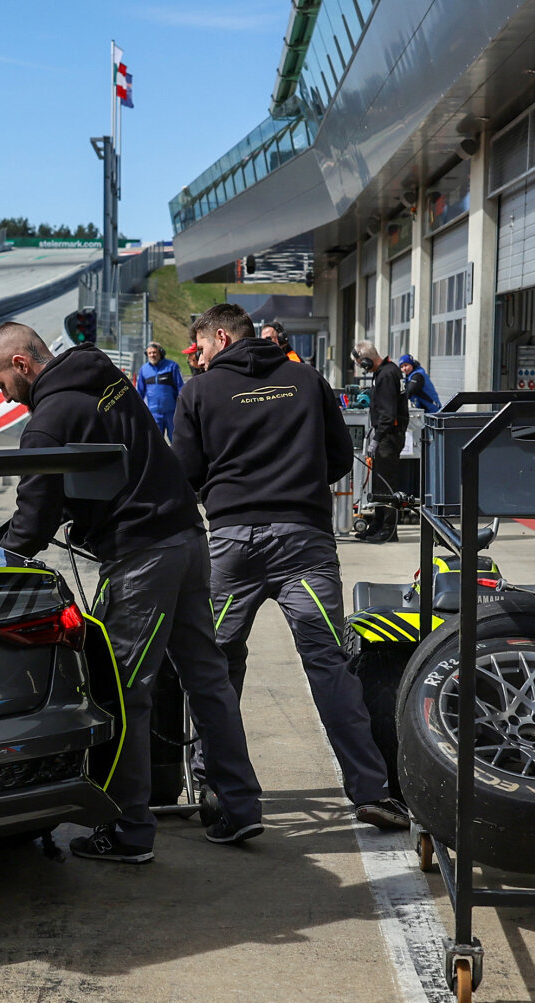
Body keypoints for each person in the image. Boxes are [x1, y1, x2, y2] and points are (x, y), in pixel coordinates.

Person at [0, 321, 266, 862]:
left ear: (21, 364)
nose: (5, 397)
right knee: (209, 681)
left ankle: (129, 829)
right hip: (188, 539)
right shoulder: (106, 377)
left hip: (140, 559)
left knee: (123, 693)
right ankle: (240, 807)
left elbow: (33, 522)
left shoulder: (47, 421)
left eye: (1, 384)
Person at [174, 305, 408, 832]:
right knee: (328, 664)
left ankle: (218, 788)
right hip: (304, 542)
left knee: (216, 666)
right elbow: (340, 457)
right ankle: (371, 791)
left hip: (232, 546)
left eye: (201, 348)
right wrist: (295, 483)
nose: (199, 358)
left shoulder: (199, 392)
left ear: (221, 336)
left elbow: (185, 473)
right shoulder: (307, 379)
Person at [354, 340, 408, 544]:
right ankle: (377, 524)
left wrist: (376, 439)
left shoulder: (386, 375)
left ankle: (389, 529)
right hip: (386, 435)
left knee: (386, 485)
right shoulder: (386, 371)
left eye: (360, 364)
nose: (361, 368)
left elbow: (388, 414)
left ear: (367, 360)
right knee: (378, 484)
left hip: (388, 437)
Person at [134, 342, 185, 441]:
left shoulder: (172, 366)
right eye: (149, 353)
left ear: (161, 352)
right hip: (154, 414)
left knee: (176, 441)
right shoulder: (144, 369)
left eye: (154, 352)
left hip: (171, 413)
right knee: (156, 442)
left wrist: (182, 408)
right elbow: (140, 392)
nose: (152, 355)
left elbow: (181, 388)